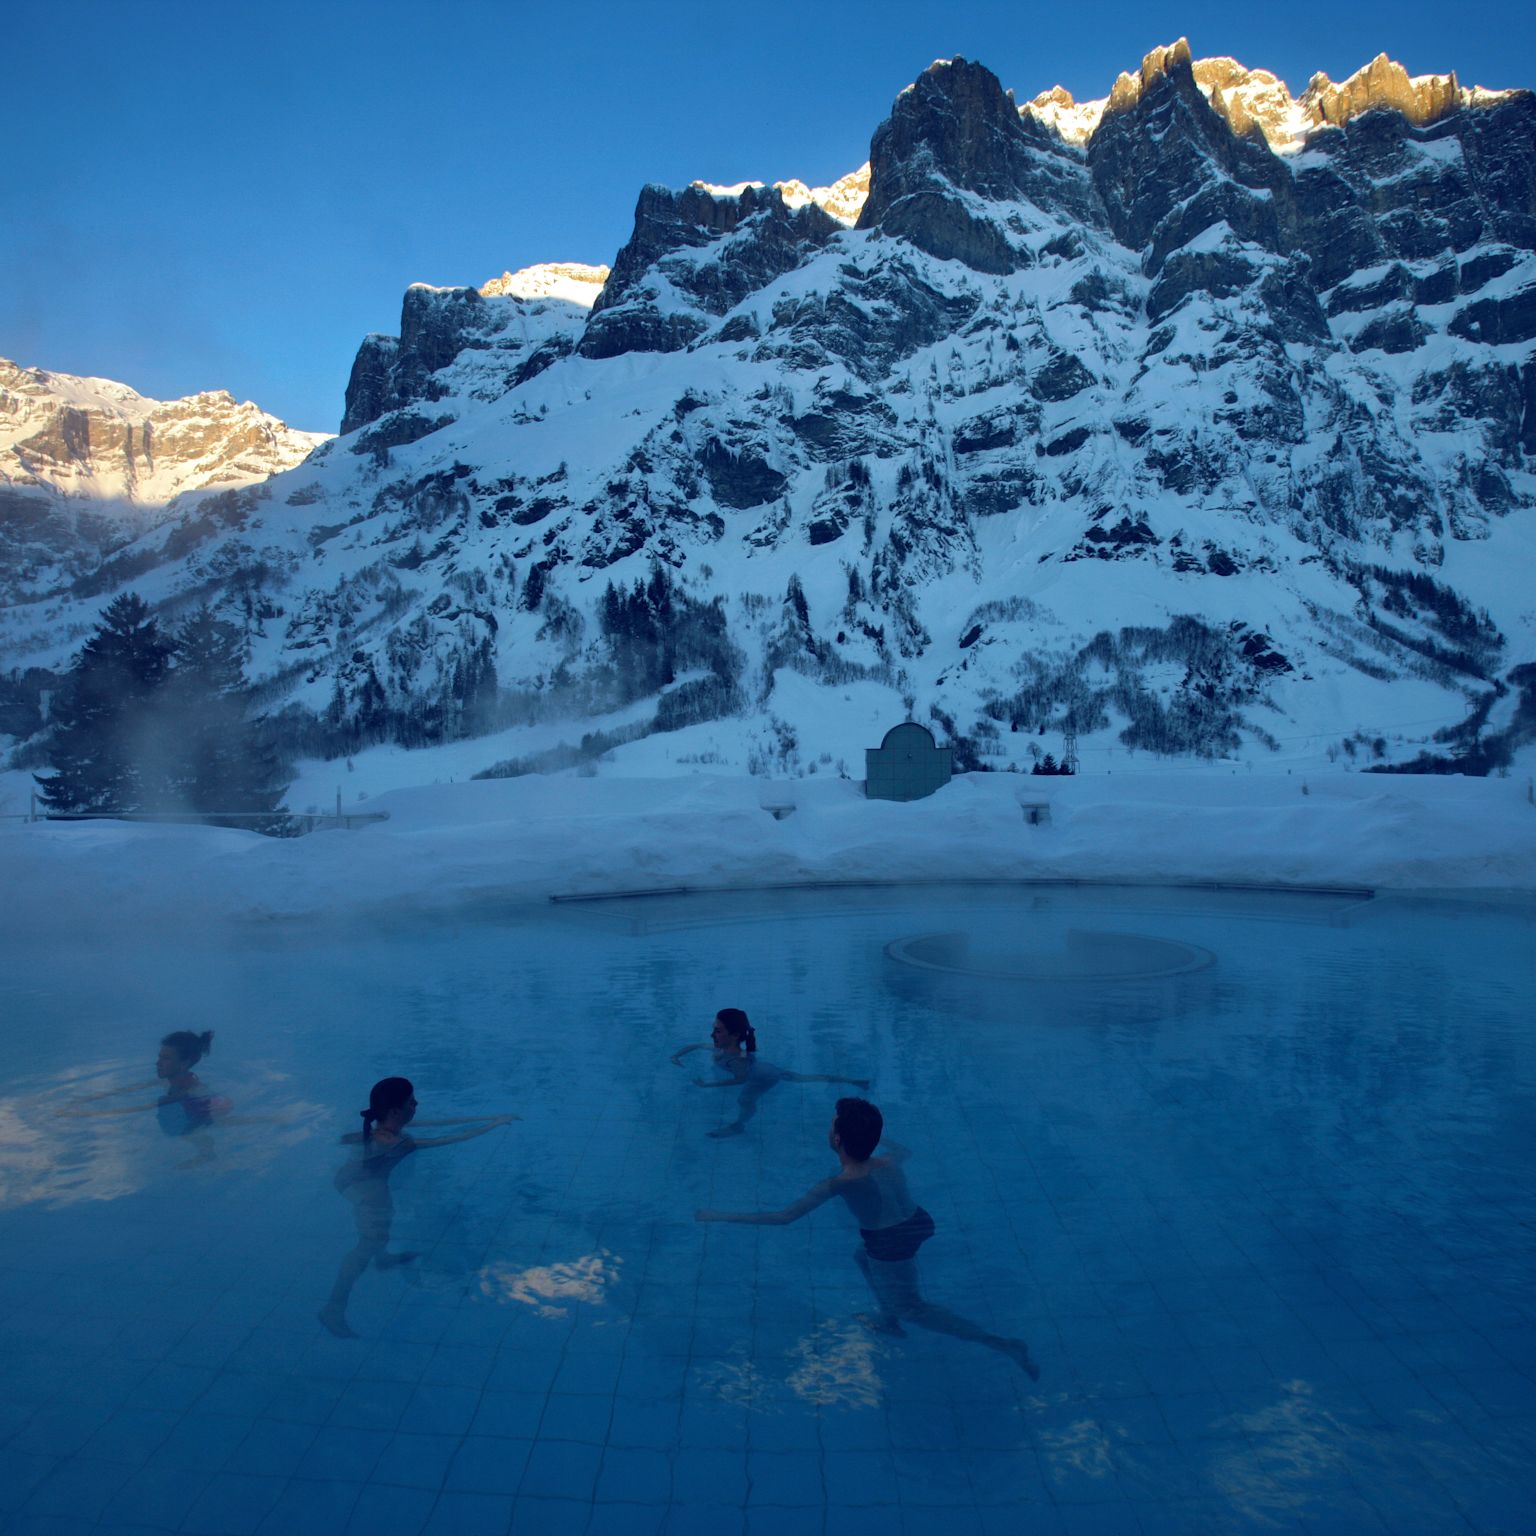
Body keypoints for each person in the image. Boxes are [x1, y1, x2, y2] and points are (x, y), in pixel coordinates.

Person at [697, 1097, 1038, 1376]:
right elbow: (905, 1149)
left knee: (913, 1307)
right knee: (862, 1257)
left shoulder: (841, 1182)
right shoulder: (887, 1161)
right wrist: (873, 1132)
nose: (828, 1127)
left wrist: (720, 1216)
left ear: (837, 1140)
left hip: (890, 1242)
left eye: (832, 1125)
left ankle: (999, 1343)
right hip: (916, 1222)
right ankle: (887, 1320)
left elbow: (784, 1217)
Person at [318, 1076, 518, 1338]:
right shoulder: (400, 1142)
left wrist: (492, 1116)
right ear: (395, 1111)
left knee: (379, 1232)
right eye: (411, 1102)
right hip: (367, 1193)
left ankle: (383, 1257)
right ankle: (333, 1309)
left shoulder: (377, 1126)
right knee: (364, 1246)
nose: (417, 1105)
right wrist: (494, 1125)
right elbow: (447, 1139)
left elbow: (434, 1124)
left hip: (356, 1183)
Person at [671, 1007, 869, 1138]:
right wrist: (676, 1055)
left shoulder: (736, 1059)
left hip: (763, 1077)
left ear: (734, 1035)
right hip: (767, 1069)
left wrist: (708, 1084)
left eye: (718, 1031)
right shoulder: (721, 1048)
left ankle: (739, 1126)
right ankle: (854, 1081)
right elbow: (696, 1045)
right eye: (714, 1029)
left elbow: (741, 1080)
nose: (712, 1034)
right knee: (805, 1078)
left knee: (745, 1101)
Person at [57, 1030, 232, 1161]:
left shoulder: (188, 1090)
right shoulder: (166, 1081)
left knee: (189, 1133)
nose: (158, 1063)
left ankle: (207, 1154)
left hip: (204, 1110)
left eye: (166, 1059)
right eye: (159, 1057)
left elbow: (139, 1108)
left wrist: (86, 1114)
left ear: (184, 1063)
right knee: (172, 1120)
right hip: (189, 1106)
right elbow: (126, 1090)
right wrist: (85, 1100)